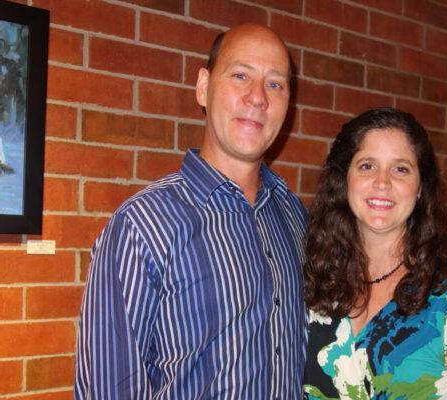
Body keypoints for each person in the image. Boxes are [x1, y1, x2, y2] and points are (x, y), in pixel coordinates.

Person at [75, 24, 307, 399]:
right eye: (240, 75)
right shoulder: (141, 226)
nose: (257, 97)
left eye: (275, 84)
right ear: (204, 86)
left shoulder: (294, 217)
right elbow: (107, 389)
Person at [303, 108, 447, 399]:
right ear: (344, 179)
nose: (382, 182)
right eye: (367, 166)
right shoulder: (314, 279)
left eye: (401, 168)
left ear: (421, 187)